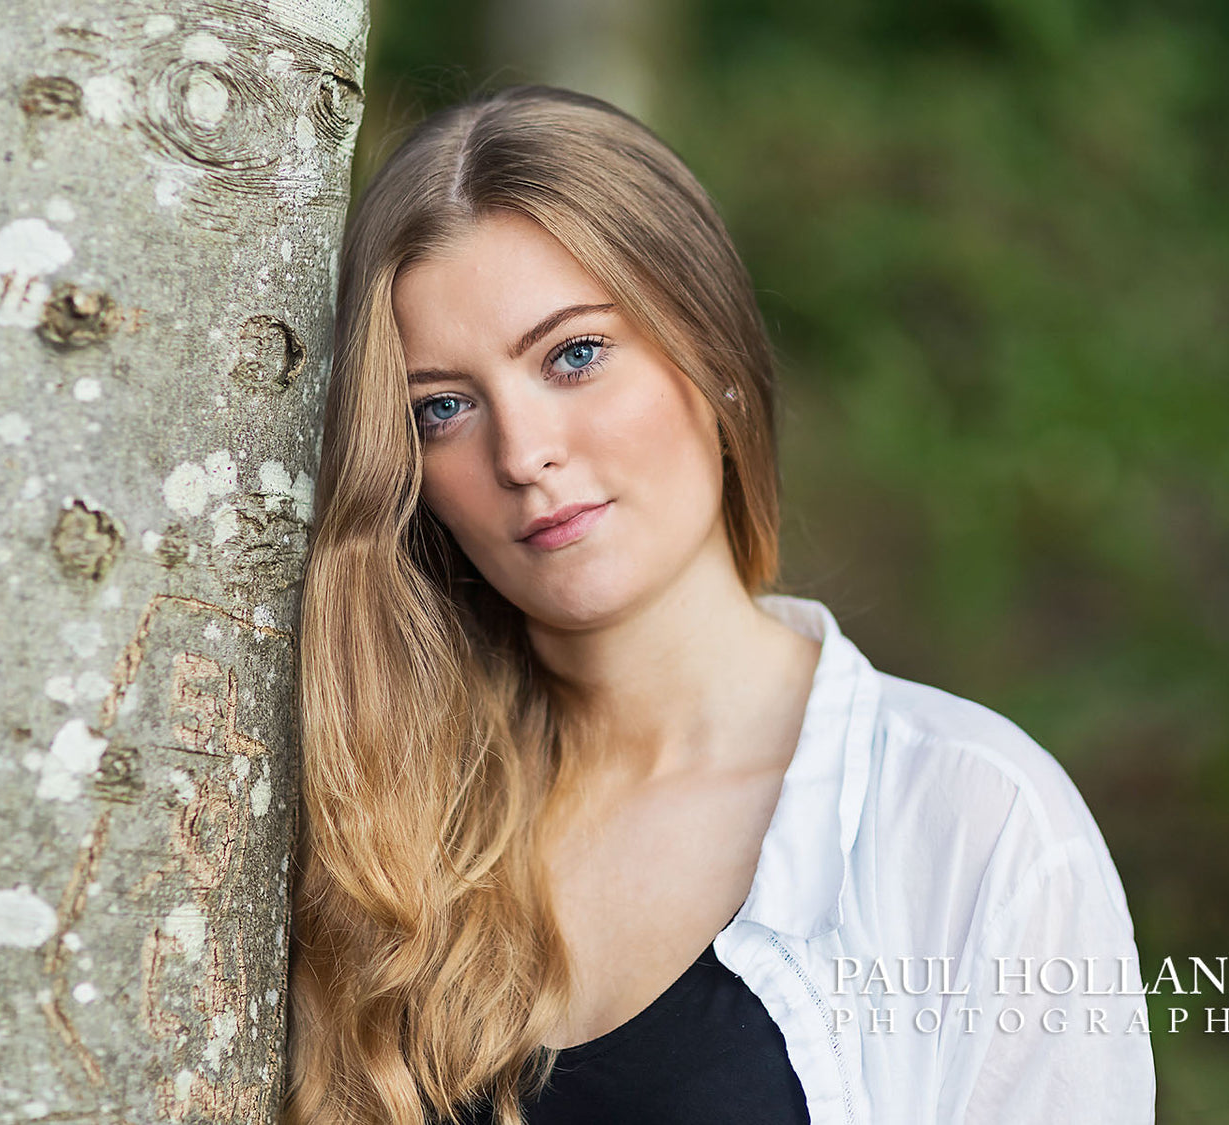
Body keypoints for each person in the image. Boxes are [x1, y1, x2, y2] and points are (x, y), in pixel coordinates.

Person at [285, 83, 1156, 1125]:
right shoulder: (365, 827)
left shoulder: (970, 817)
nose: (524, 455)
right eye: (443, 408)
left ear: (712, 353)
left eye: (574, 355)